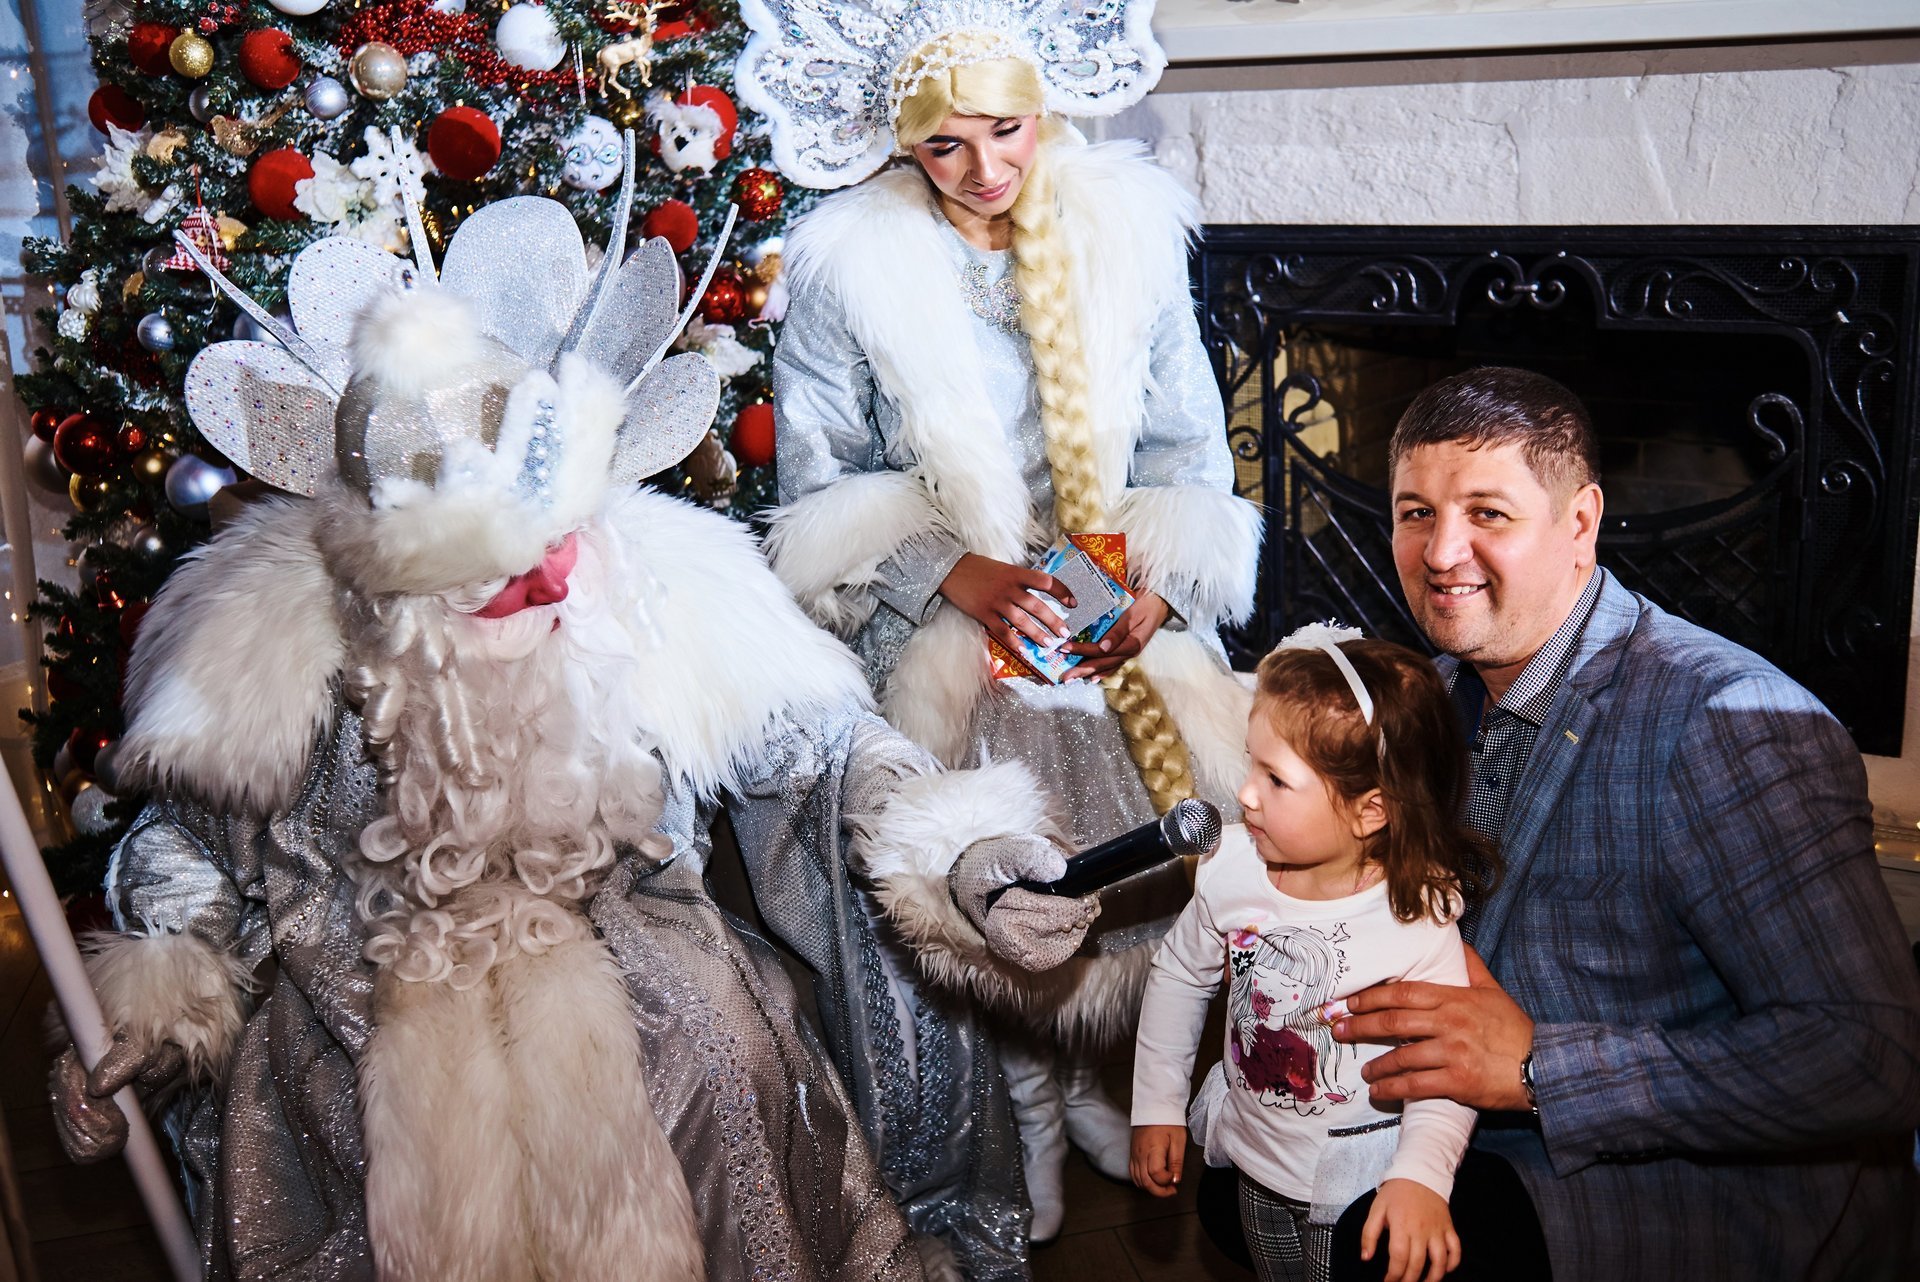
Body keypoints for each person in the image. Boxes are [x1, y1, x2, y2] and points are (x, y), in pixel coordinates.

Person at [46, 172, 1089, 1281]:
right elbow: (184, 849)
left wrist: (960, 849)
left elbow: (828, 753)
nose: (530, 592)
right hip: (354, 974)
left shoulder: (656, 586)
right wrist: (146, 1008)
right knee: (341, 1129)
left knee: (711, 1067)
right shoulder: (273, 636)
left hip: (631, 940)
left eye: (537, 558)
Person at [738, 0, 1262, 1243]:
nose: (986, 170)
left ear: (1047, 111)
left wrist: (1158, 583)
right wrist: (952, 572)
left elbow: (1190, 445)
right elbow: (820, 483)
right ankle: (1023, 1093)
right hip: (940, 601)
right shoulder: (849, 266)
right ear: (900, 143)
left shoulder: (1127, 231)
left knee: (1141, 821)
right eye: (946, 145)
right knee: (993, 839)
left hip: (1106, 588)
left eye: (1007, 131)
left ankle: (1087, 1073)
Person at [1326, 366, 1920, 1280]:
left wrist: (1540, 1069)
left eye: (1488, 513)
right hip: (1452, 1125)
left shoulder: (1730, 722)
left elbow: (1871, 1058)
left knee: (1382, 1254)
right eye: (1416, 513)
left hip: (1684, 1183)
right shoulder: (1431, 697)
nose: (1441, 552)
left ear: (1580, 522)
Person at [1131, 630, 1486, 1282]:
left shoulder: (1414, 916)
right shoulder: (1230, 866)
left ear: (1369, 811)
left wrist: (1422, 1177)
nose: (1245, 794)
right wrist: (1156, 1104)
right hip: (1253, 1154)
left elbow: (1448, 1064)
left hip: (1357, 1178)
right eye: (1251, 764)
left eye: (1275, 779)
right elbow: (1179, 975)